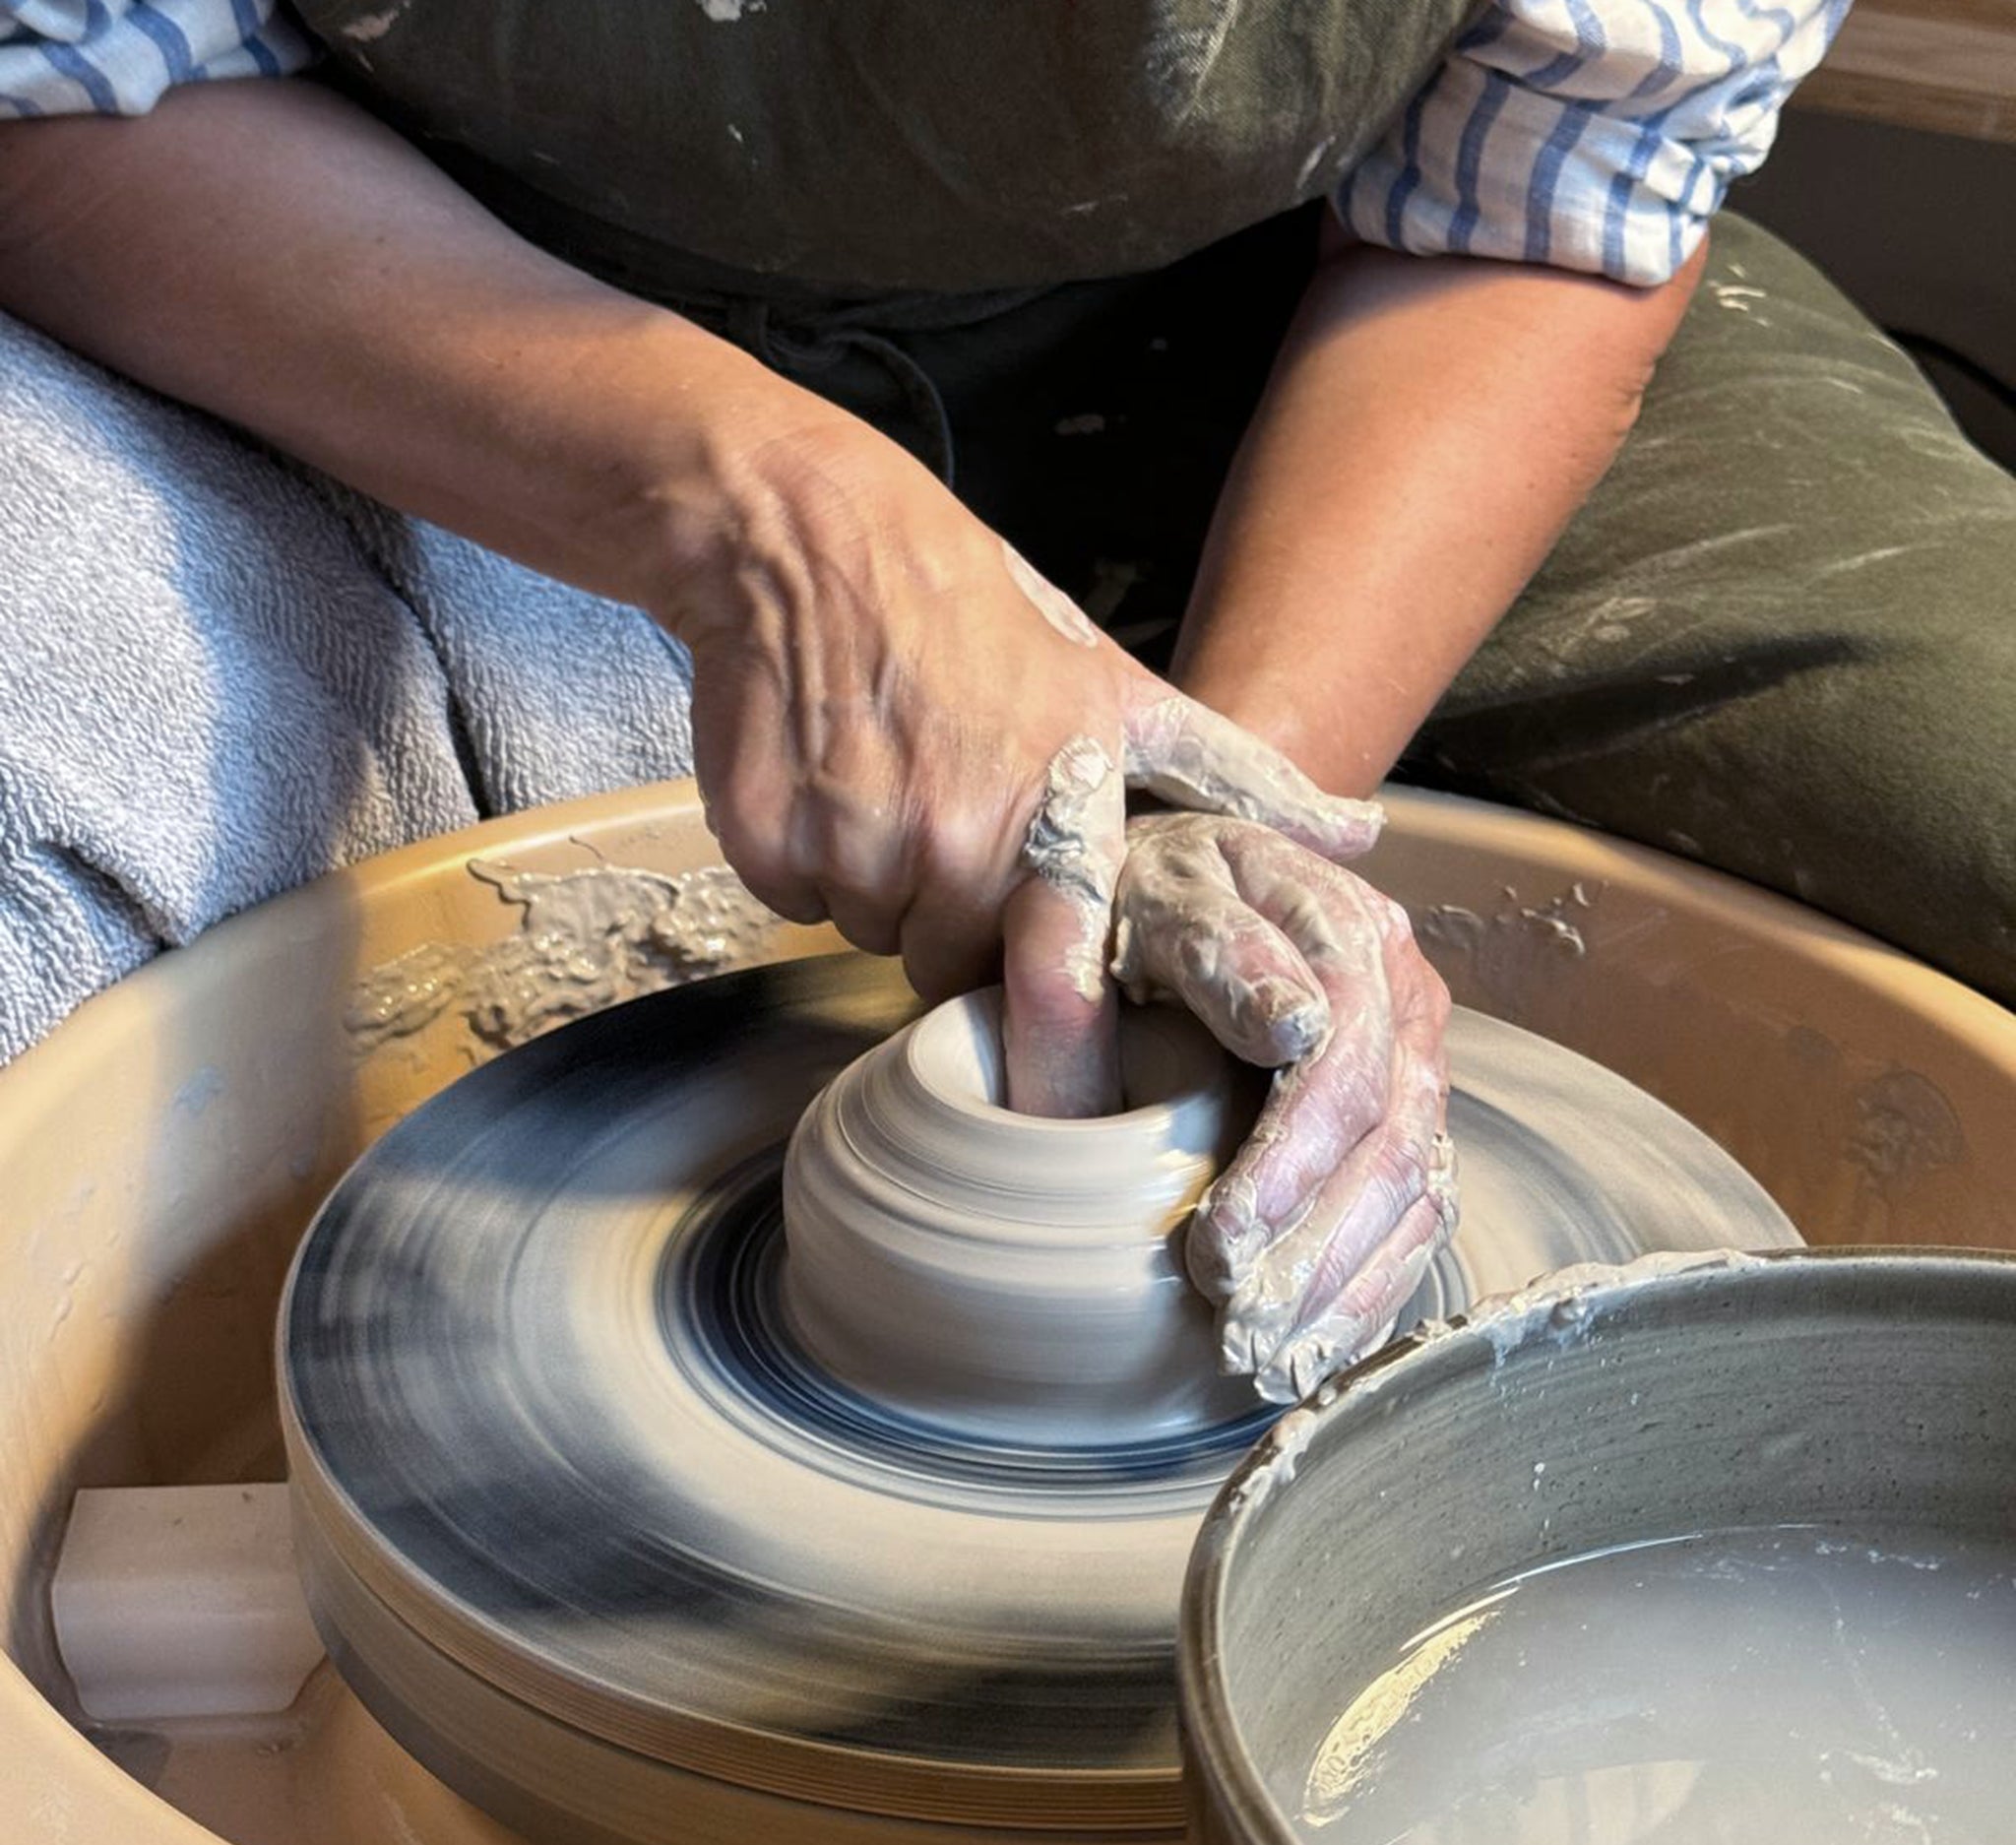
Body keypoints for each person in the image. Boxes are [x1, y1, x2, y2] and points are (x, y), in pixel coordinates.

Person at [0, 0, 2009, 1399]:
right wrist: (761, 511)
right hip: (401, 285)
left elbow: (1543, 200)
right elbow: (71, 77)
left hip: (1287, 316)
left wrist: (1228, 811)